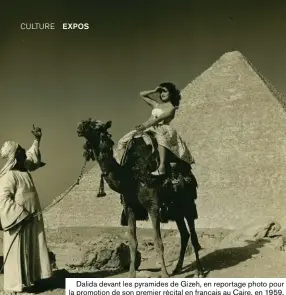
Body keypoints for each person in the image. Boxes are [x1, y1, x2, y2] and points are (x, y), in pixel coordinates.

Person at [0, 125, 52, 293]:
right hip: (19, 222)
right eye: (21, 151)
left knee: (33, 248)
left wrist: (37, 140)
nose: (24, 153)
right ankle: (14, 285)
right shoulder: (8, 176)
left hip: (32, 217)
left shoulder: (22, 170)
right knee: (17, 252)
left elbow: (32, 158)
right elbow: (2, 200)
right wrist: (21, 214)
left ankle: (31, 280)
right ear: (15, 156)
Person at [117, 82, 194, 176]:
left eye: (165, 91)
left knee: (160, 138)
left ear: (171, 93)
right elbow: (142, 94)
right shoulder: (156, 104)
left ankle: (161, 167)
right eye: (161, 91)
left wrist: (145, 126)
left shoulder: (172, 108)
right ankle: (124, 166)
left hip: (162, 128)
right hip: (148, 127)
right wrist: (154, 90)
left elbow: (158, 120)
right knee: (122, 141)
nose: (162, 94)